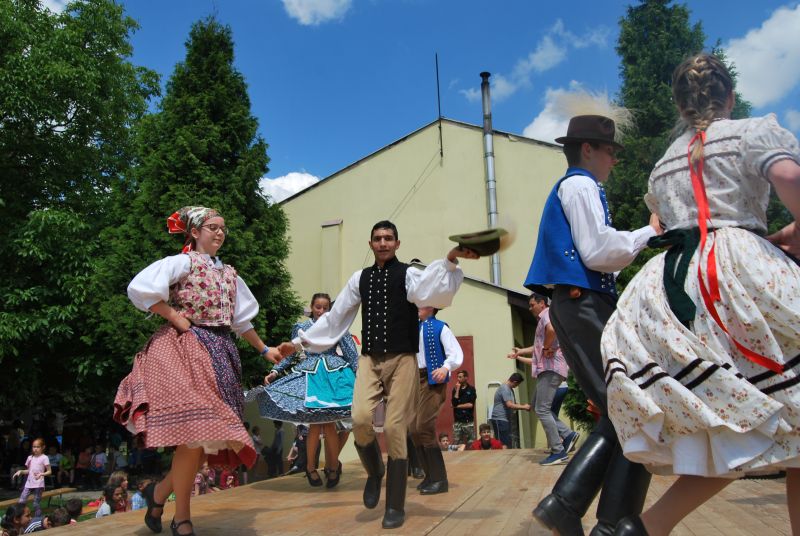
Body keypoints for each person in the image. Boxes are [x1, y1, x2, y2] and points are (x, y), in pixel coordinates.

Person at [601, 53, 800, 536]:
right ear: (729, 96)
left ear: (680, 105)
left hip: (678, 285)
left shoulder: (666, 161)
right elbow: (789, 177)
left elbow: (666, 222)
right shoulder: (752, 132)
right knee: (782, 406)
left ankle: (648, 527)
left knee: (737, 414)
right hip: (742, 277)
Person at [278, 220, 478, 529]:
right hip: (370, 360)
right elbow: (335, 318)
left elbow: (434, 291)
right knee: (359, 420)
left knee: (396, 427)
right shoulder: (360, 279)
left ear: (397, 243)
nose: (383, 242)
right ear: (370, 244)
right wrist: (297, 344)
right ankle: (375, 472)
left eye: (388, 238)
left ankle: (395, 505)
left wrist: (451, 258)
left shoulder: (409, 275)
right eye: (377, 238)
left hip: (402, 360)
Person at [524, 107, 660, 535]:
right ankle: (603, 522)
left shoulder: (579, 187)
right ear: (587, 149)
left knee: (622, 409)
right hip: (582, 304)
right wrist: (649, 232)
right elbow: (599, 251)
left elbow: (600, 261)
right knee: (634, 408)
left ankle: (569, 508)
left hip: (579, 302)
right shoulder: (581, 185)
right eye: (609, 151)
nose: (615, 159)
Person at [112, 206, 287, 536]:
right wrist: (174, 316)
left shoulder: (230, 274)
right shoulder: (184, 263)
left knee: (202, 444)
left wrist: (266, 351)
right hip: (186, 351)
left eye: (223, 228)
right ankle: (182, 519)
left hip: (220, 355)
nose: (220, 232)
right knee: (193, 437)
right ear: (194, 232)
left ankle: (158, 495)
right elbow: (140, 287)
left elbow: (240, 322)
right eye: (212, 227)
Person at [255, 293, 359, 489]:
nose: (321, 311)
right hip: (311, 375)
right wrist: (275, 371)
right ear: (311, 307)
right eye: (318, 307)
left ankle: (333, 466)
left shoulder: (336, 326)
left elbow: (351, 353)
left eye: (325, 308)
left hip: (333, 377)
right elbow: (289, 354)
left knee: (329, 426)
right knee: (314, 426)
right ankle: (311, 467)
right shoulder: (302, 327)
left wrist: (360, 374)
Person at [508, 293, 580, 466]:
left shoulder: (547, 314)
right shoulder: (545, 318)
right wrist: (520, 352)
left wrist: (547, 347)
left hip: (550, 369)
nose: (530, 308)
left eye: (532, 304)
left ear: (542, 303)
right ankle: (568, 435)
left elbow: (551, 331)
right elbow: (538, 346)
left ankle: (558, 450)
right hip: (547, 370)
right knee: (536, 406)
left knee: (542, 410)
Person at [410, 306, 463, 495]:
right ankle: (430, 476)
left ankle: (440, 479)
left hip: (433, 380)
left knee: (424, 426)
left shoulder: (441, 327)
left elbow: (455, 353)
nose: (417, 307)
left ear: (432, 307)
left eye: (421, 304)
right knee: (414, 429)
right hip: (414, 380)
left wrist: (446, 367)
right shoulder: (412, 327)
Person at [489, 373, 531, 448]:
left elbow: (513, 404)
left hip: (504, 419)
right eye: (517, 384)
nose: (517, 386)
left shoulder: (509, 389)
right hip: (500, 419)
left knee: (507, 442)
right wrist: (524, 407)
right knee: (502, 444)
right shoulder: (505, 388)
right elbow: (510, 405)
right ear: (515, 382)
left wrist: (524, 406)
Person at [12, 439, 51, 518]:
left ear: (43, 447)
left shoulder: (45, 458)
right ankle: (20, 517)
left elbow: (49, 471)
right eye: (34, 447)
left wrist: (42, 474)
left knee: (35, 503)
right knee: (21, 501)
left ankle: (38, 518)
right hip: (29, 483)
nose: (35, 449)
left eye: (38, 447)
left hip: (38, 484)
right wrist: (21, 471)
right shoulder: (30, 457)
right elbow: (29, 471)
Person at [451, 370, 477, 446]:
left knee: (471, 443)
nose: (458, 379)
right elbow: (454, 403)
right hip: (457, 421)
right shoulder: (455, 389)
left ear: (466, 378)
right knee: (457, 443)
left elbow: (470, 405)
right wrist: (457, 390)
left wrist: (457, 406)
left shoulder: (471, 389)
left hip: (468, 421)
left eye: (460, 377)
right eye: (457, 377)